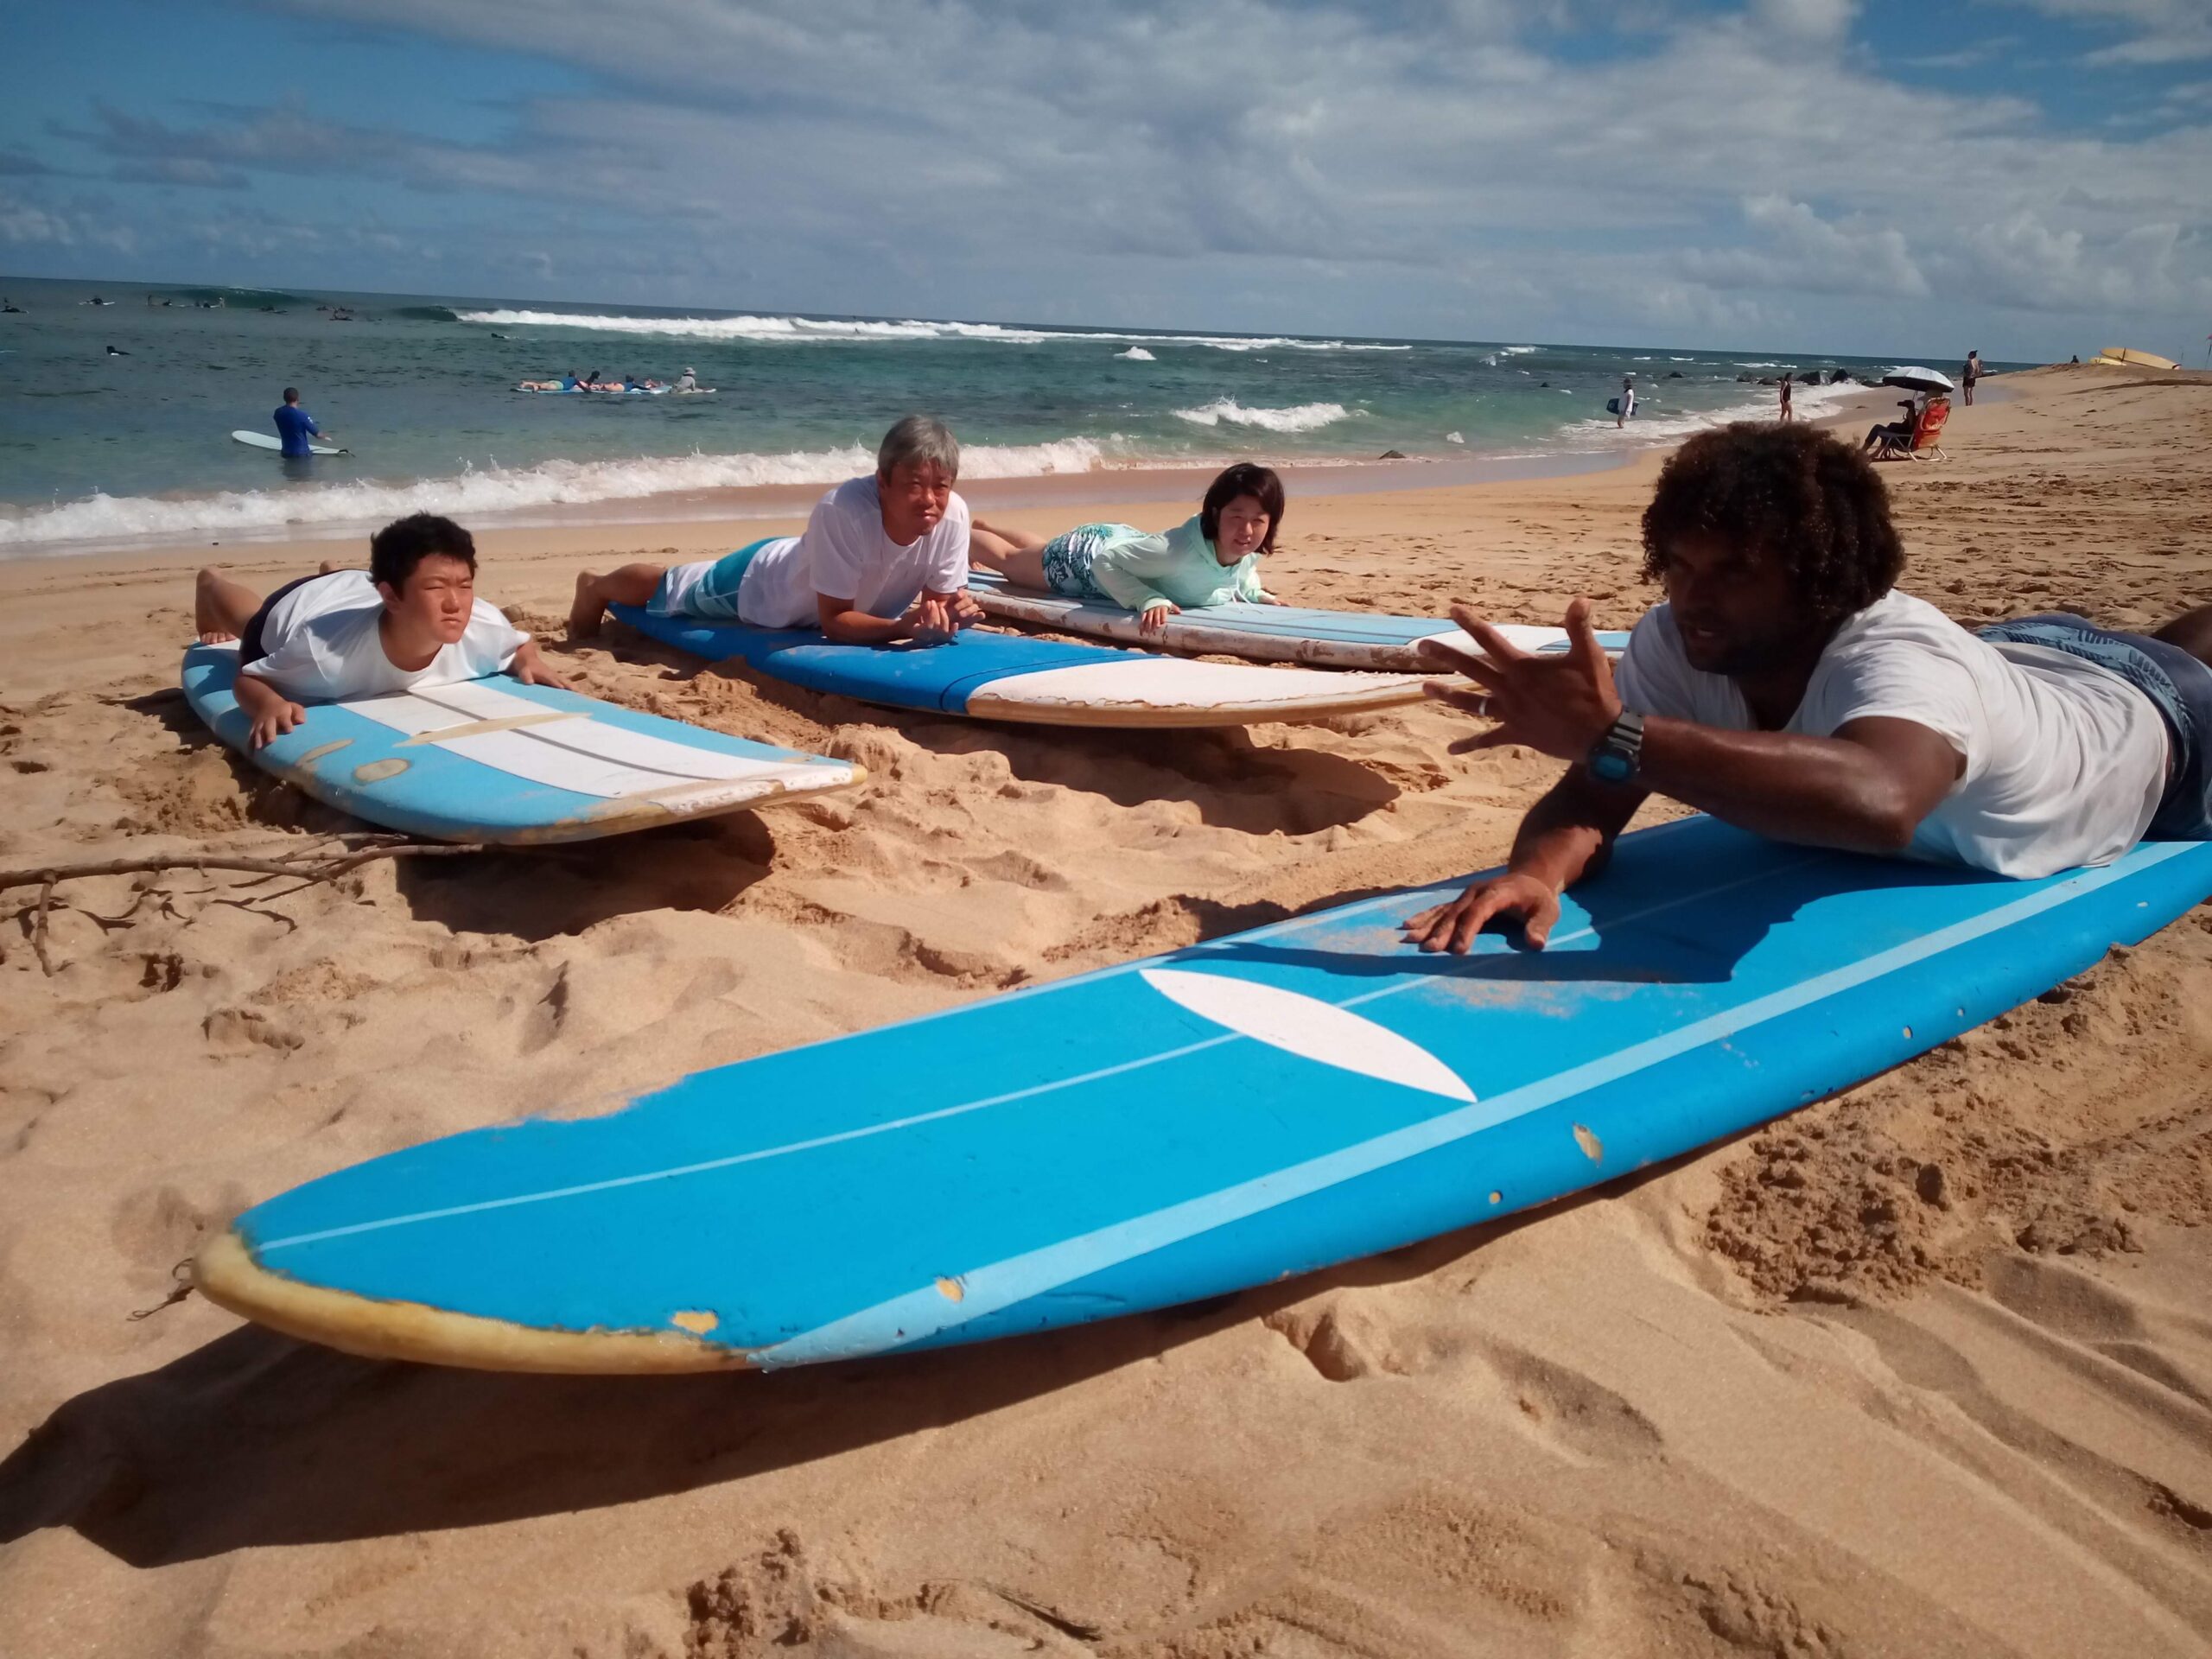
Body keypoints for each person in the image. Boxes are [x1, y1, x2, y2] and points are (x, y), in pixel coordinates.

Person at [1403, 422, 2212, 954]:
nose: (1691, 598)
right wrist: (1537, 871)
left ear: (1821, 580)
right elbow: (1597, 792)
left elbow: (1884, 801)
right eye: (1680, 566)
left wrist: (1620, 734)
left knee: (2184, 652)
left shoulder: (1903, 656)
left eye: (1734, 573)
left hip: (2153, 722)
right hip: (2018, 658)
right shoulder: (1678, 642)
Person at [569, 415, 983, 645]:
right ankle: (596, 587)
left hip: (822, 573)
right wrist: (901, 627)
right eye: (913, 485)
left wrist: (947, 614)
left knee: (675, 583)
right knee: (673, 586)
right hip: (767, 584)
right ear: (882, 482)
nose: (929, 499)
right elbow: (835, 622)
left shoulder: (954, 516)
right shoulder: (843, 511)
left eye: (940, 487)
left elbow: (935, 606)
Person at [193, 513, 564, 748]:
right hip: (303, 606)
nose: (456, 603)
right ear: (391, 595)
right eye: (437, 588)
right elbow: (248, 678)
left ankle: (335, 572)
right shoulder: (324, 657)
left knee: (357, 583)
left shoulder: (482, 623)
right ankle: (210, 583)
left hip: (356, 589)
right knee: (247, 619)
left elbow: (519, 645)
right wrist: (269, 703)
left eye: (465, 585)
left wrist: (529, 659)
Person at [966, 462, 1286, 639]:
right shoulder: (1176, 552)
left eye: (1258, 521)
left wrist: (1255, 593)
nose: (1246, 531)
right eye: (1236, 517)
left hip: (1125, 544)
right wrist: (1147, 598)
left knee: (1037, 549)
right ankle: (960, 533)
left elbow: (1242, 569)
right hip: (1084, 559)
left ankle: (988, 525)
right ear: (1216, 514)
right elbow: (1106, 563)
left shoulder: (1244, 548)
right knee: (1009, 562)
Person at [272, 388, 330, 458]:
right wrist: (327, 436)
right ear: (297, 398)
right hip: (301, 454)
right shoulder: (302, 415)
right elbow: (317, 435)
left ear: (284, 398)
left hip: (285, 453)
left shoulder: (278, 412)